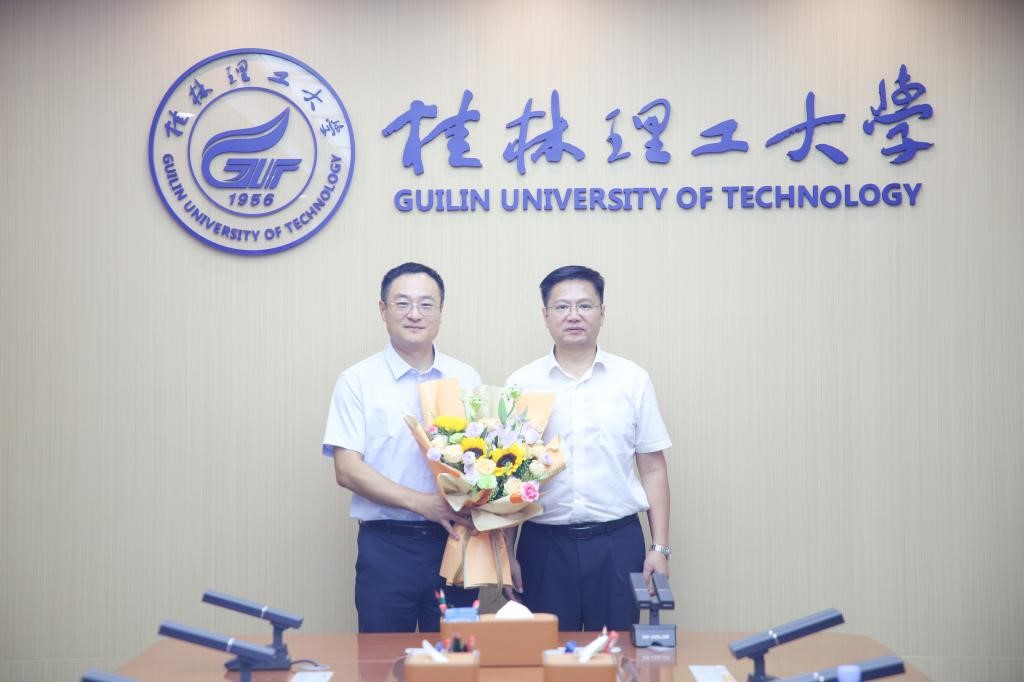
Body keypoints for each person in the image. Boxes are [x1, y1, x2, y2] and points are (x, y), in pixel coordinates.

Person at [504, 265, 672, 631]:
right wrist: (505, 554)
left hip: (617, 544)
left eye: (585, 305)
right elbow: (509, 477)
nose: (574, 315)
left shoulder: (632, 380)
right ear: (545, 315)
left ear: (602, 312)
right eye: (562, 306)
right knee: (546, 654)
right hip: (543, 546)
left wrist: (660, 548)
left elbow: (653, 468)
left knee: (615, 652)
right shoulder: (521, 383)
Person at [322, 262, 480, 633]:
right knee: (381, 656)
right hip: (387, 548)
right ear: (383, 309)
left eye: (426, 304)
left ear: (441, 311)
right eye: (403, 303)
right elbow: (347, 469)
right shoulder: (357, 381)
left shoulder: (466, 378)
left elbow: (484, 462)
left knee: (455, 654)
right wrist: (422, 503)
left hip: (455, 543)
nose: (414, 314)